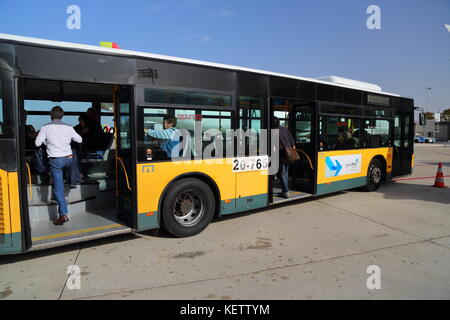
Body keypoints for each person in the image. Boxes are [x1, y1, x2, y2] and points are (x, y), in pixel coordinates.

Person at [35, 106, 82, 225]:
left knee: (58, 187)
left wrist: (47, 140)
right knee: (65, 169)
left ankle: (63, 215)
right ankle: (71, 181)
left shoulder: (46, 127)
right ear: (62, 115)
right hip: (69, 159)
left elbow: (37, 143)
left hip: (56, 161)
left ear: (51, 115)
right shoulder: (69, 127)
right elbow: (79, 140)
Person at [273, 117, 296, 199]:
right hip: (289, 154)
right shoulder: (285, 129)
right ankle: (284, 191)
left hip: (282, 154)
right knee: (285, 171)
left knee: (283, 172)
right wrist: (292, 149)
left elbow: (274, 148)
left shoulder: (274, 132)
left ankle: (286, 192)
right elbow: (292, 141)